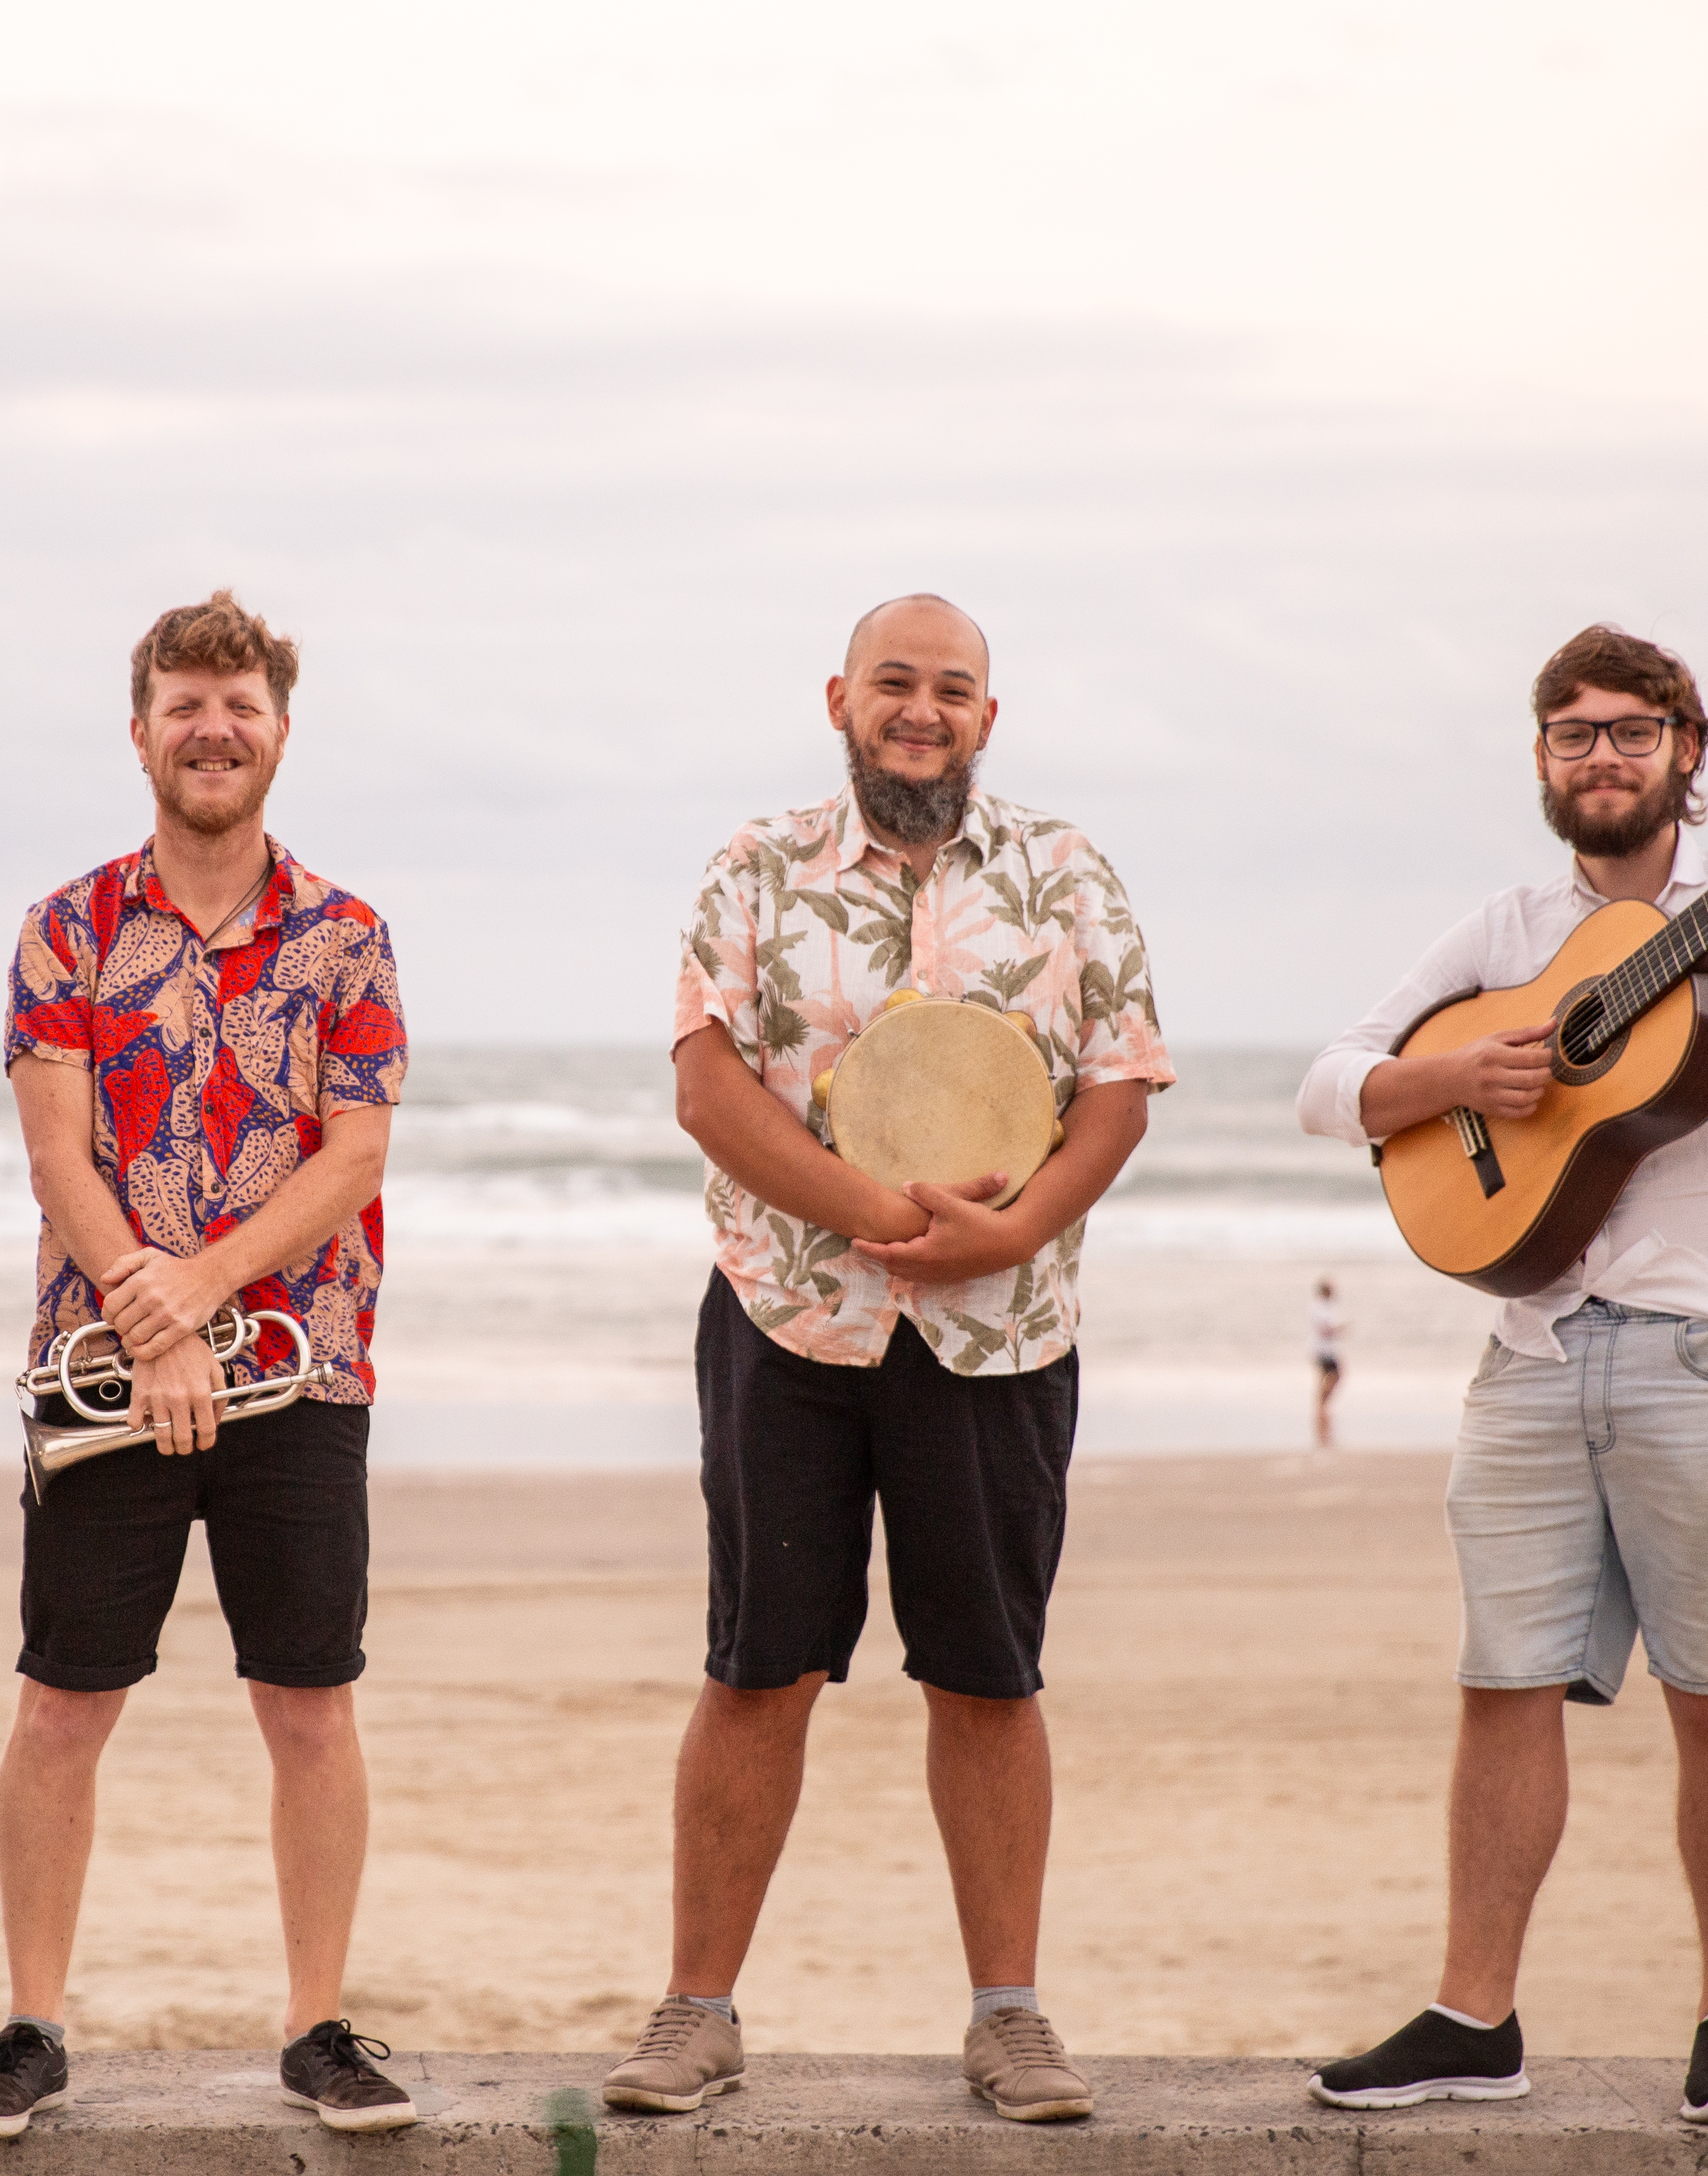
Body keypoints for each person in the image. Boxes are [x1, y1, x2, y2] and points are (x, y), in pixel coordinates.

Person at [1293, 624, 1708, 2127]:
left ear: (1688, 753)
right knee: (1501, 1684)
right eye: (1573, 735)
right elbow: (1328, 1085)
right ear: (1540, 762)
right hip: (1527, 1349)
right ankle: (1472, 2015)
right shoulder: (1504, 931)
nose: (1602, 758)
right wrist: (1456, 1079)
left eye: (1632, 733)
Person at [600, 594, 1175, 2125]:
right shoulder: (755, 867)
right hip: (789, 1316)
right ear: (840, 700)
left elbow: (1119, 1087)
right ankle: (696, 2013)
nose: (919, 711)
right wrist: (872, 1214)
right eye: (893, 685)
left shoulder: (1067, 876)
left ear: (990, 717)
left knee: (986, 1674)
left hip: (999, 1335)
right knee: (760, 1664)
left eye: (951, 690)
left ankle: (1010, 2021)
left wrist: (1017, 1231)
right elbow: (708, 1087)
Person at [0, 591, 415, 2142]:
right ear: (139, 731)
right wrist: (160, 1332)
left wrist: (200, 1300)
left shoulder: (347, 935)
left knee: (309, 1707)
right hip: (100, 1376)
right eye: (184, 704)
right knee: (64, 1704)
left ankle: (319, 2027)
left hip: (302, 1368)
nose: (214, 729)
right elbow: (54, 1157)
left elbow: (353, 1154)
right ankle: (28, 2027)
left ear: (280, 729)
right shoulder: (65, 927)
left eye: (241, 705)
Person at [1310, 1278, 1347, 1447]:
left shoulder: (1326, 1307)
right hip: (1324, 1349)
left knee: (1325, 1378)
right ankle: (1322, 1407)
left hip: (1325, 1348)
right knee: (1335, 1376)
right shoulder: (1319, 1307)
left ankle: (1322, 1407)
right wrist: (1340, 1329)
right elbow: (1324, 1330)